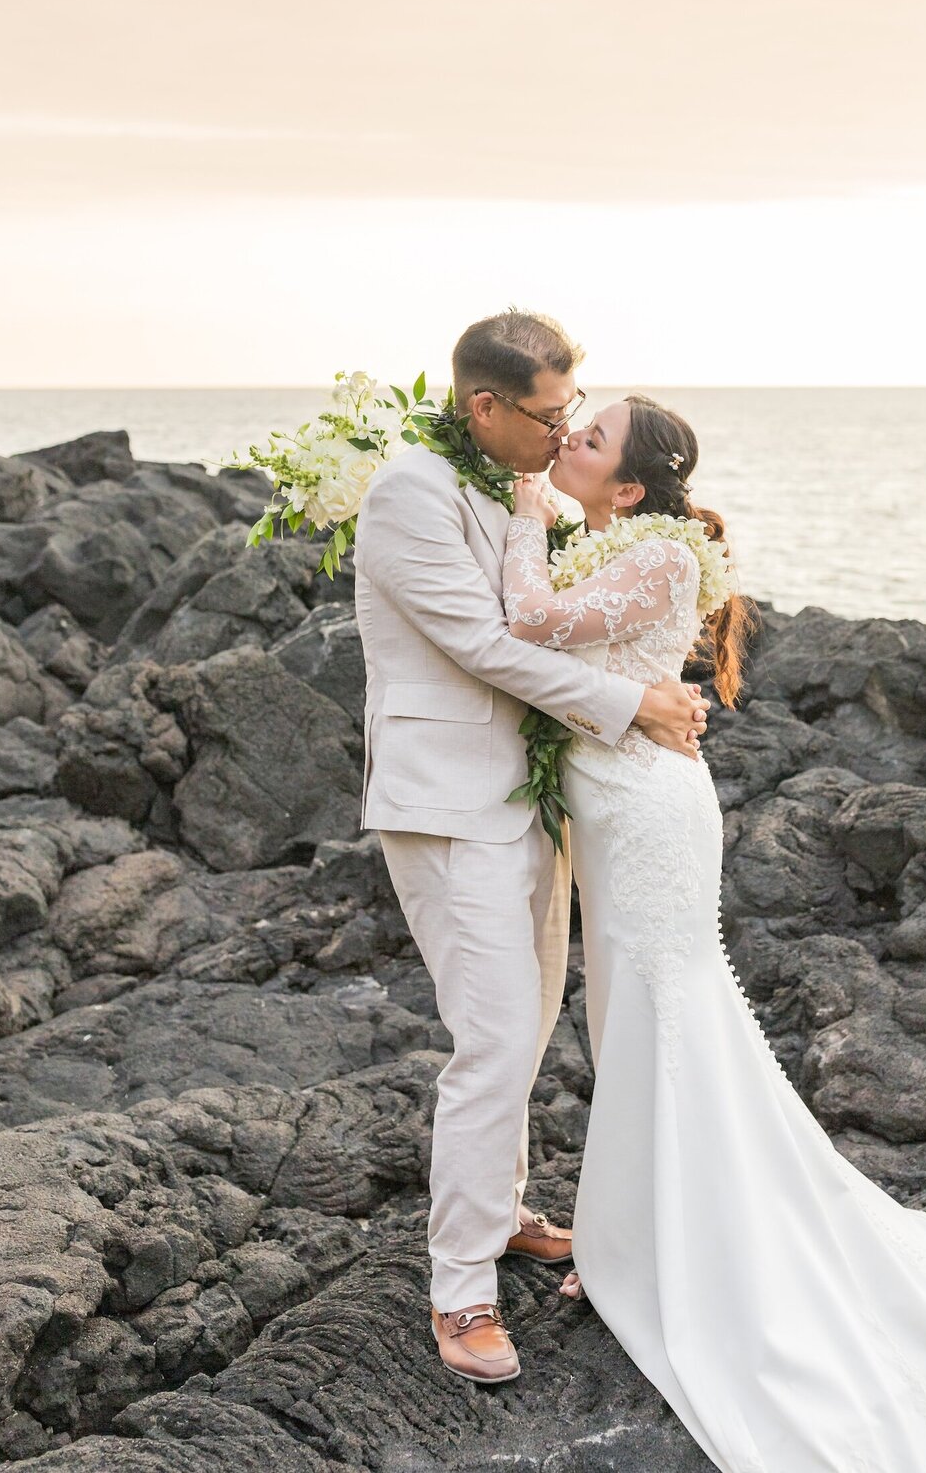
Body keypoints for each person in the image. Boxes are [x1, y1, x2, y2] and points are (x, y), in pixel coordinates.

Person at [500, 391, 926, 1473]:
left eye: (590, 437)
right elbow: (570, 669)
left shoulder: (660, 557)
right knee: (626, 1015)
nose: (568, 439)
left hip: (647, 813)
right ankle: (637, 1233)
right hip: (616, 806)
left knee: (666, 1014)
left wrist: (519, 514)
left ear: (627, 486)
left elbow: (532, 627)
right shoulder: (607, 545)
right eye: (574, 427)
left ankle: (679, 1251)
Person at [351, 313, 710, 1386]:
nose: (564, 433)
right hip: (449, 801)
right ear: (485, 407)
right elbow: (482, 643)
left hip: (536, 798)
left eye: (574, 414)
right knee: (498, 1038)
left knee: (527, 1020)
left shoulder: (518, 487)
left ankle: (500, 1211)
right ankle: (460, 1287)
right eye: (551, 416)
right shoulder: (410, 493)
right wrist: (633, 705)